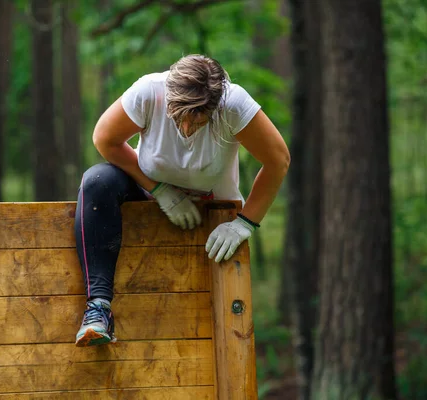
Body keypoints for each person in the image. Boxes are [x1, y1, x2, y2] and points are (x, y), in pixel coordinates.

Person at [74, 54, 290, 347]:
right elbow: (104, 139)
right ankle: (98, 309)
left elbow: (278, 161)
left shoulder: (234, 105)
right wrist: (160, 190)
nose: (187, 129)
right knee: (97, 181)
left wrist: (245, 224)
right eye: (180, 117)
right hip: (151, 194)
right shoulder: (149, 92)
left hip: (212, 215)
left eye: (198, 120)